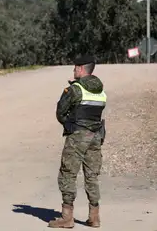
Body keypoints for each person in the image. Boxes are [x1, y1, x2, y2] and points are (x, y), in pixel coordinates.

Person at [48, 54, 107, 229]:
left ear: (81, 69)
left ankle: (67, 217)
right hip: (96, 136)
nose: (73, 70)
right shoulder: (101, 91)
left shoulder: (75, 89)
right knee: (92, 175)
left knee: (68, 173)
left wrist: (68, 124)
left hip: (78, 136)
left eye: (75, 67)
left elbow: (61, 111)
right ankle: (94, 217)